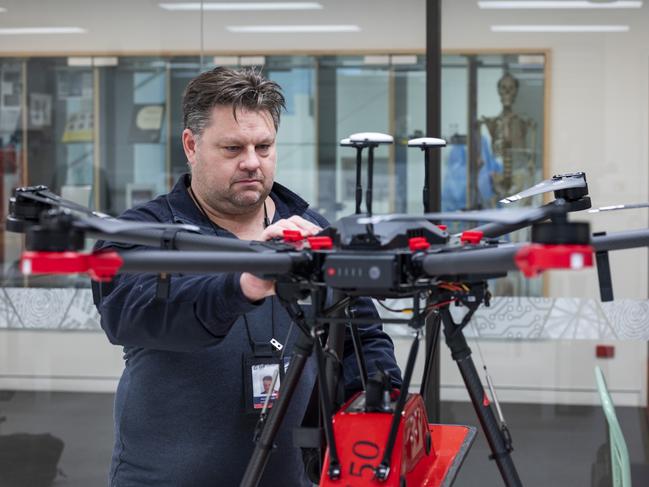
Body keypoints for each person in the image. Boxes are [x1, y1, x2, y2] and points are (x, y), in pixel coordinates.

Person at [93, 67, 401, 487]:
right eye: (233, 148)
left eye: (264, 146)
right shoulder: (139, 234)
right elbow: (129, 314)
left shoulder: (311, 230)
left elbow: (360, 338)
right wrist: (245, 281)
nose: (252, 162)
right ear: (191, 145)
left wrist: (382, 406)